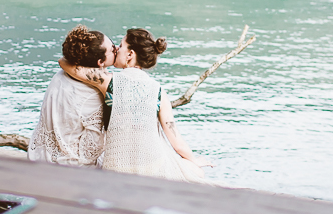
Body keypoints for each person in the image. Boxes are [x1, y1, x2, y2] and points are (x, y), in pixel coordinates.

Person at [60, 28, 213, 184]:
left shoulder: (108, 81)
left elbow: (65, 64)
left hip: (116, 169)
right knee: (196, 172)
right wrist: (194, 159)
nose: (117, 50)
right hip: (152, 167)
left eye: (120, 46)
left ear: (130, 55)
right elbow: (176, 140)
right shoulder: (159, 91)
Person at [27, 25, 115, 166]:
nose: (117, 50)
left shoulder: (59, 76)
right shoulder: (94, 94)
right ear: (100, 62)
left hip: (37, 155)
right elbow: (92, 149)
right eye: (113, 49)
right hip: (69, 168)